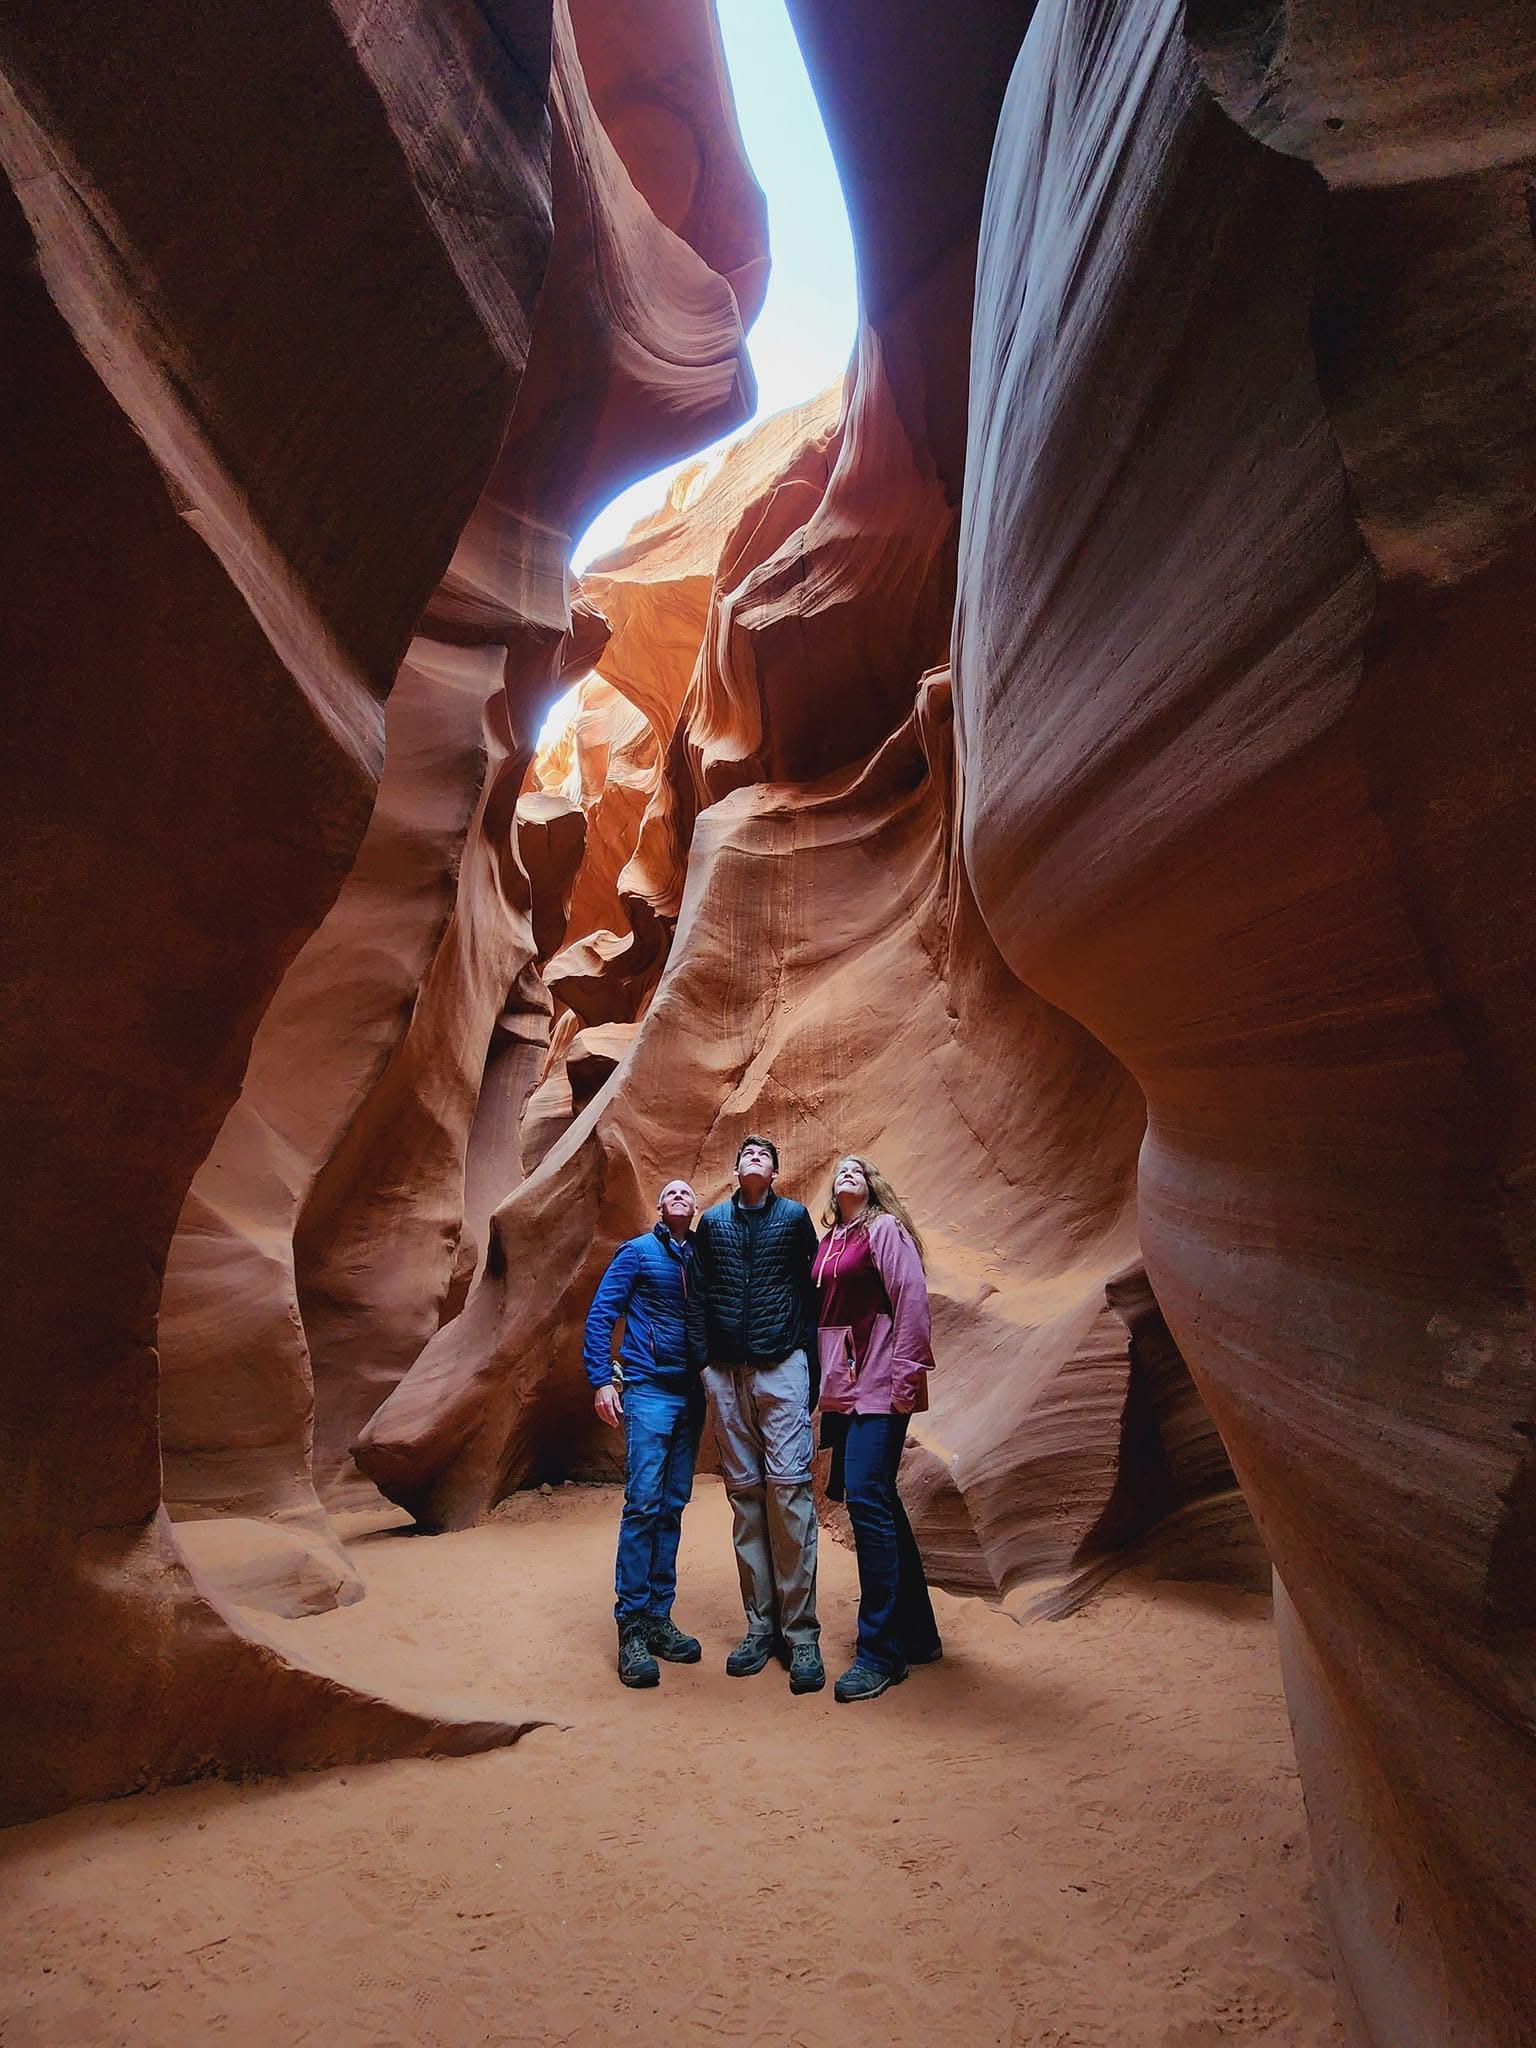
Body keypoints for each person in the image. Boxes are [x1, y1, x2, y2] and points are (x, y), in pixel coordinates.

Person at [693, 1135, 824, 1694]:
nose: (753, 1159)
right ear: (735, 1167)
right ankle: (761, 1626)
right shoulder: (713, 1223)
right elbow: (697, 1292)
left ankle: (802, 1637)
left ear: (774, 1171)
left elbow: (811, 1289)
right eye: (746, 1154)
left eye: (763, 1155)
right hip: (725, 1371)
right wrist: (704, 1363)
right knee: (746, 1497)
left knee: (789, 1493)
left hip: (779, 1364)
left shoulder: (794, 1218)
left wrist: (808, 1363)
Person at [814, 1154, 942, 1702]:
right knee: (880, 1499)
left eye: (858, 1169)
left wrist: (907, 1377)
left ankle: (881, 1652)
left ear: (872, 1186)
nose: (848, 1172)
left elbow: (912, 1300)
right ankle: (918, 1635)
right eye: (840, 1169)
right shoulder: (829, 1243)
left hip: (880, 1381)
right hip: (846, 1387)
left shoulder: (883, 1229)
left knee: (867, 1499)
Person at [583, 1177, 708, 1689]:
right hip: (648, 1389)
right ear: (659, 1206)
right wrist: (600, 1380)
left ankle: (659, 1617)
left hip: (691, 1392)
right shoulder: (636, 1253)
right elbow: (601, 1315)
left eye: (687, 1194)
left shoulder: (703, 1256)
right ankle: (631, 1625)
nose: (679, 1197)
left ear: (696, 1208)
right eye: (670, 1193)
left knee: (674, 1502)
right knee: (643, 1503)